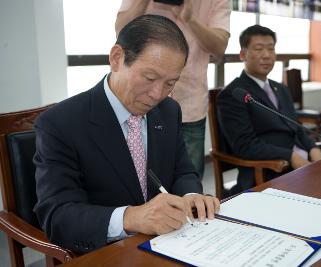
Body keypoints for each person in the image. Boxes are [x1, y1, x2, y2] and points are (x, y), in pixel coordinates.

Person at [34, 15, 219, 254]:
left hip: (170, 243)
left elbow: (182, 170)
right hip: (107, 252)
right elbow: (57, 216)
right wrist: (131, 218)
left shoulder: (168, 110)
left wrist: (192, 196)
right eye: (150, 78)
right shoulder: (60, 124)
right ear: (117, 58)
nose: (157, 94)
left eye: (170, 83)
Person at [115, 0, 231, 179]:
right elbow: (120, 32)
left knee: (188, 177)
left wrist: (190, 19)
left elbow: (219, 48)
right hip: (137, 102)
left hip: (190, 105)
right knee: (133, 179)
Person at [217, 25, 321, 194]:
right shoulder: (233, 94)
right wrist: (290, 155)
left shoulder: (280, 88)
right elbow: (245, 145)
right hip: (269, 173)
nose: (266, 55)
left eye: (271, 49)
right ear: (243, 54)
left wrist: (314, 148)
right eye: (259, 49)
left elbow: (296, 126)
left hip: (301, 166)